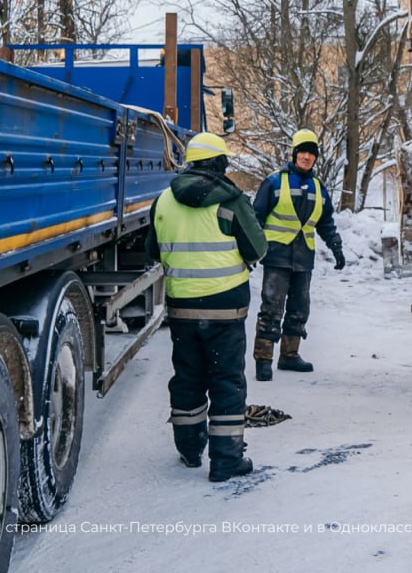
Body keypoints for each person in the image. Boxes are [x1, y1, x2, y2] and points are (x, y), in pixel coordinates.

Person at [147, 131, 266, 482]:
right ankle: (226, 459)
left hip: (182, 308)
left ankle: (189, 448)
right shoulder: (231, 201)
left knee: (188, 376)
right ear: (218, 163)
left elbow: (152, 251)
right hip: (226, 309)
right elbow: (257, 249)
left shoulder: (164, 201)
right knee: (226, 380)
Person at [252, 129, 345, 380]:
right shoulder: (273, 182)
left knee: (299, 308)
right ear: (294, 154)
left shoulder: (318, 187)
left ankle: (289, 355)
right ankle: (264, 359)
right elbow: (255, 218)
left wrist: (336, 246)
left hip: (304, 258)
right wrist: (250, 252)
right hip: (277, 256)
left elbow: (326, 222)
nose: (306, 157)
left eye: (311, 153)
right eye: (302, 152)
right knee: (271, 307)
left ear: (316, 158)